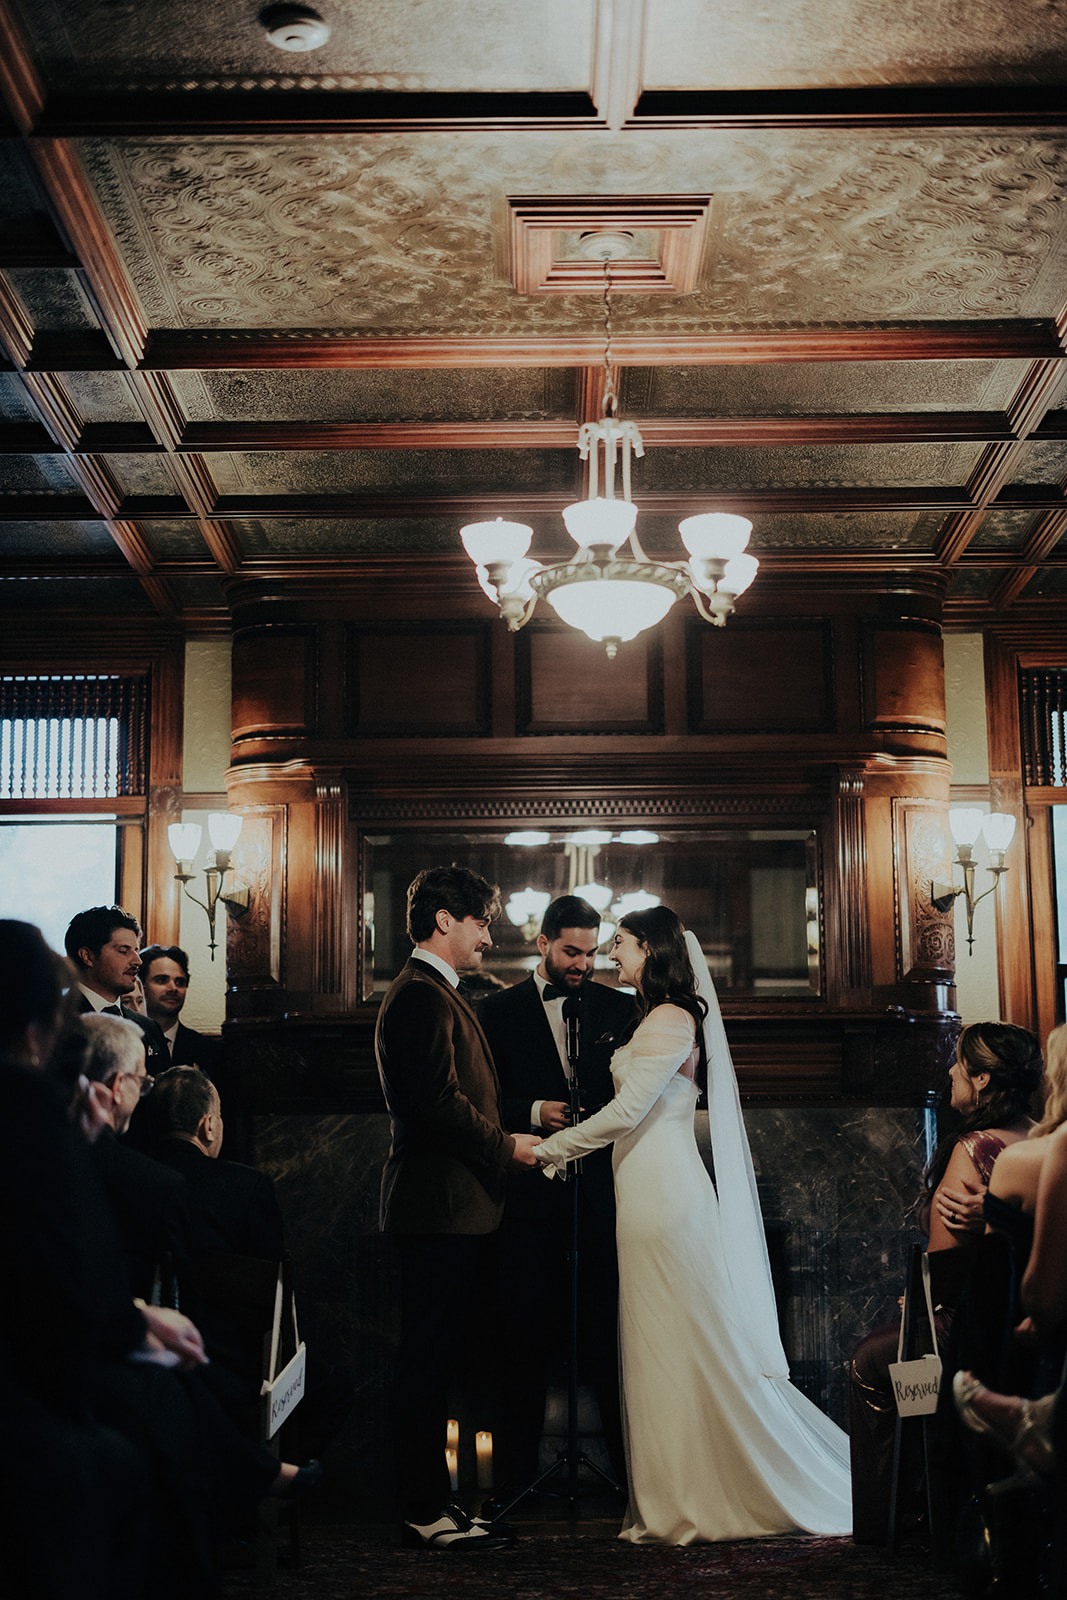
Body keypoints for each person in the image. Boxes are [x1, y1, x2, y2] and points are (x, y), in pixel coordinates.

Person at [534, 905, 851, 1544]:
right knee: (661, 1344)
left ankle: (691, 1497)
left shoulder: (673, 1019)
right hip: (643, 1194)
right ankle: (676, 1491)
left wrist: (550, 1149)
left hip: (666, 1199)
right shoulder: (653, 1017)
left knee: (679, 1341)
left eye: (620, 943)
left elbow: (627, 1112)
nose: (611, 955)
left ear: (650, 949)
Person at [375, 865, 542, 1553]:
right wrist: (506, 1148)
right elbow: (436, 1104)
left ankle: (435, 1505)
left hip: (455, 1208)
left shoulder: (435, 991)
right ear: (444, 920)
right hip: (437, 1208)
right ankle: (422, 1511)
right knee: (426, 1364)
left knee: (440, 1361)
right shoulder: (419, 995)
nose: (488, 937)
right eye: (481, 923)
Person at [849, 1020, 1043, 1544]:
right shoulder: (1045, 1139)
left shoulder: (974, 1148)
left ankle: (909, 1515)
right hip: (1035, 1322)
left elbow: (944, 1270)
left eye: (959, 1062)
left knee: (874, 1358)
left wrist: (919, 1299)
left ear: (981, 1079)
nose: (950, 1070)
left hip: (977, 1328)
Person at [478, 893, 636, 1497]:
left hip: (603, 1203)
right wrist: (532, 1110)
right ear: (542, 944)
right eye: (571, 952)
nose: (583, 965)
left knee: (611, 1346)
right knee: (521, 1344)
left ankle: (631, 1486)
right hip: (526, 1209)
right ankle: (514, 1487)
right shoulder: (496, 1012)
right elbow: (481, 1099)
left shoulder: (621, 1008)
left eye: (591, 953)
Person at [65, 905, 167, 1071]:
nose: (137, 961)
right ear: (88, 956)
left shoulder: (149, 1028)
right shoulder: (56, 1020)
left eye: (136, 950)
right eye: (124, 951)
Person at [139, 944, 223, 1072]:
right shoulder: (126, 1040)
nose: (173, 988)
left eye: (180, 982)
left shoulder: (208, 1049)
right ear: (141, 986)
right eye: (162, 980)